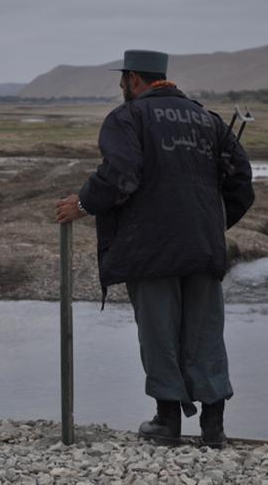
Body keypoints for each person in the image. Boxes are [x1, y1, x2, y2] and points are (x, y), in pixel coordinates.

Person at [55, 49, 254, 448]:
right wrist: (208, 225)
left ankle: (167, 423)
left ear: (133, 79)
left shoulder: (127, 118)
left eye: (122, 81)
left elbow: (120, 174)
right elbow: (241, 185)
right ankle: (213, 428)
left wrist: (82, 204)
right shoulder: (210, 121)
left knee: (159, 333)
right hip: (202, 247)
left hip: (150, 249)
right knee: (205, 332)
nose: (121, 88)